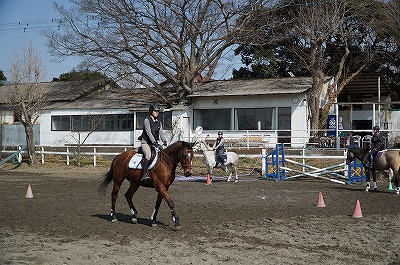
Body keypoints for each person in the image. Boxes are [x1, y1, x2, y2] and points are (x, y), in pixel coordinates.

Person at [138, 103, 168, 181]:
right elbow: (149, 132)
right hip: (146, 143)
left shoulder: (159, 122)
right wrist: (154, 142)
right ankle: (144, 174)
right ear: (151, 111)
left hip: (154, 143)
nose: (157, 112)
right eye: (155, 111)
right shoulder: (147, 120)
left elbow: (161, 132)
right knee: (148, 155)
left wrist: (164, 140)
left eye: (158, 111)